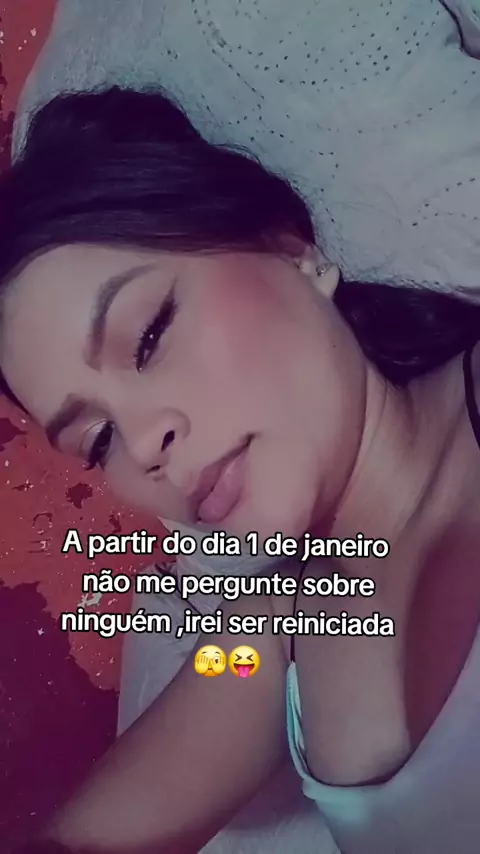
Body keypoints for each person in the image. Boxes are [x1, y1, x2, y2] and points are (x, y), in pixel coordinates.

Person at [2, 86, 480, 854]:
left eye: (149, 336)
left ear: (291, 252)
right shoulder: (269, 634)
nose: (143, 446)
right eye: (98, 440)